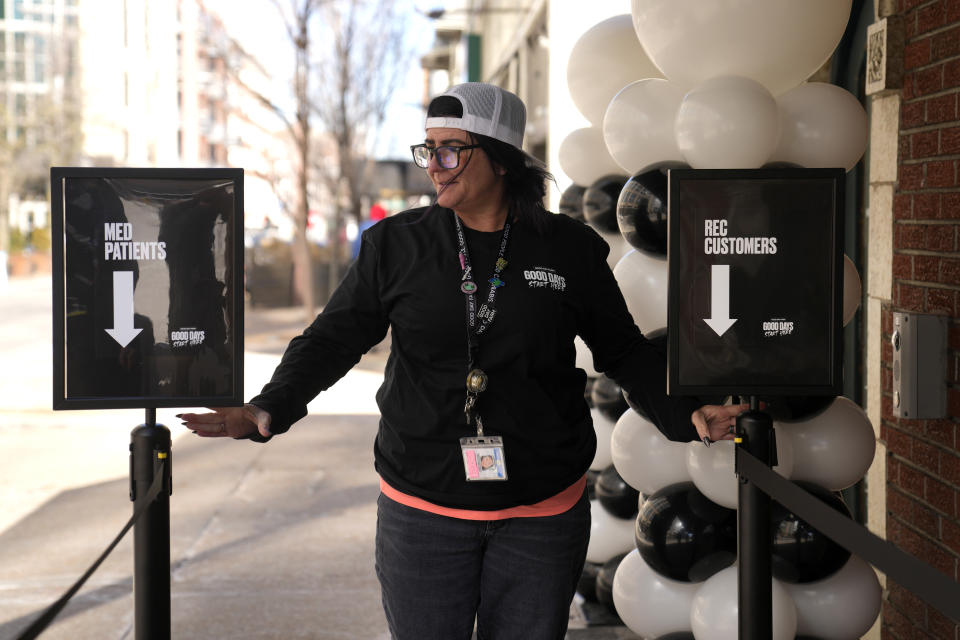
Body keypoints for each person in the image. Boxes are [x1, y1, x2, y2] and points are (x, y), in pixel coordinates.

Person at [180, 82, 743, 640]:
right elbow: (332, 340)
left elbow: (621, 350)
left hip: (541, 511)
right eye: (428, 150)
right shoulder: (395, 246)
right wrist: (267, 407)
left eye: (450, 149)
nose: (435, 166)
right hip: (423, 505)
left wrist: (686, 414)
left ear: (499, 159)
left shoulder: (569, 248)